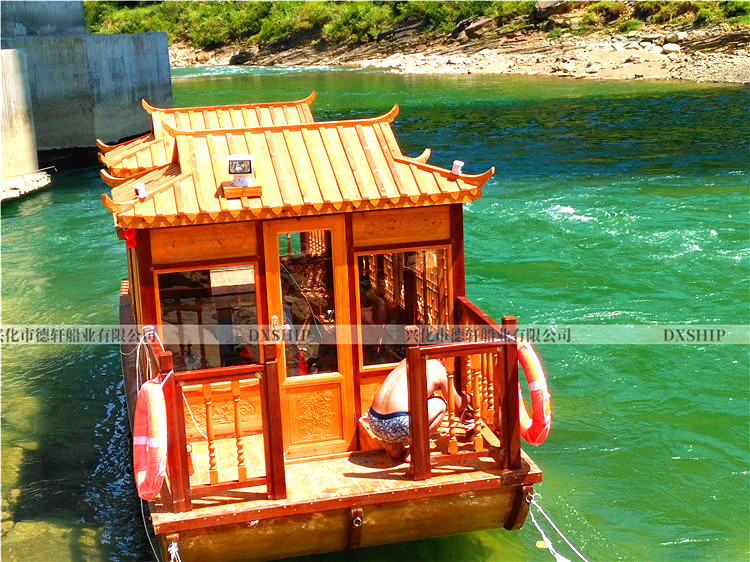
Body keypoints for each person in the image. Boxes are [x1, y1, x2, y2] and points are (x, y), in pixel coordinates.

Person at [367, 357, 471, 460]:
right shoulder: (439, 369)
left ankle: (396, 448)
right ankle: (415, 452)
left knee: (406, 406)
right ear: (442, 357)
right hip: (397, 424)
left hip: (374, 422)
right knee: (441, 404)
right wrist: (471, 398)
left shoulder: (408, 359)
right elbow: (457, 404)